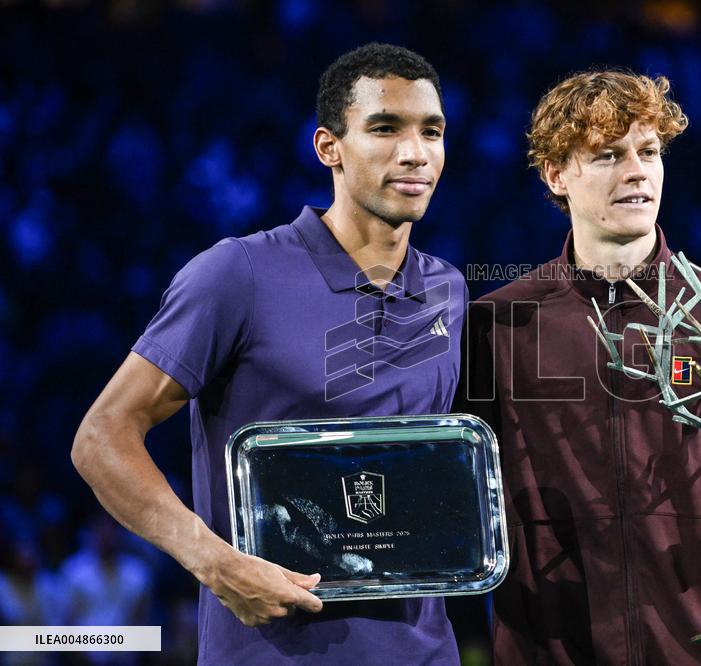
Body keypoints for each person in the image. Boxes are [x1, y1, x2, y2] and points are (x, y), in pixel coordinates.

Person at [72, 43, 465, 665]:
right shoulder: (238, 274)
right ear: (328, 147)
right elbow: (101, 437)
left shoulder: (448, 288)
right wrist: (215, 563)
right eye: (384, 128)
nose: (415, 152)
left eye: (432, 131)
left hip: (425, 651)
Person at [457, 70, 701, 664]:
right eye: (607, 155)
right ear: (556, 174)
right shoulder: (498, 328)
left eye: (648, 151)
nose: (636, 171)